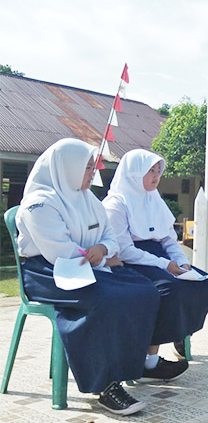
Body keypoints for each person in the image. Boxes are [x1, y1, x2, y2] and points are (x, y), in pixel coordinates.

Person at [16, 138, 160, 415]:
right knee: (102, 299)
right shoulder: (39, 204)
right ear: (66, 167)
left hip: (85, 264)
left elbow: (109, 235)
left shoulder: (87, 198)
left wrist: (103, 248)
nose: (93, 172)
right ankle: (103, 385)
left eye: (93, 166)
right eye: (87, 167)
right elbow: (58, 251)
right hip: (47, 271)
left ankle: (132, 366)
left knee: (144, 290)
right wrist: (99, 255)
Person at [102, 149, 208, 379]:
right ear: (134, 173)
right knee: (169, 291)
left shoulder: (154, 199)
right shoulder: (115, 204)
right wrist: (165, 265)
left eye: (158, 171)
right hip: (133, 262)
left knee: (207, 284)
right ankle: (150, 361)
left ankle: (178, 332)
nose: (156, 176)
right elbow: (124, 250)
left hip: (161, 258)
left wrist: (182, 262)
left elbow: (168, 239)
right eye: (150, 171)